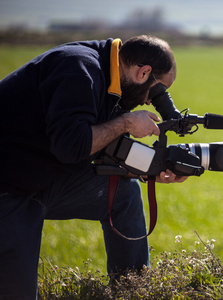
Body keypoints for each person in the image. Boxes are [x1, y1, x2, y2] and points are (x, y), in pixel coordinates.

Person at [0, 35, 187, 299]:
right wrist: (125, 123)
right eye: (157, 92)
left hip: (37, 181)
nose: (149, 101)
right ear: (143, 72)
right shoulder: (77, 67)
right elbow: (73, 146)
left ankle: (132, 292)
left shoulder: (110, 78)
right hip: (8, 189)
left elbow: (103, 148)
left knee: (125, 192)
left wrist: (153, 169)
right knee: (17, 294)